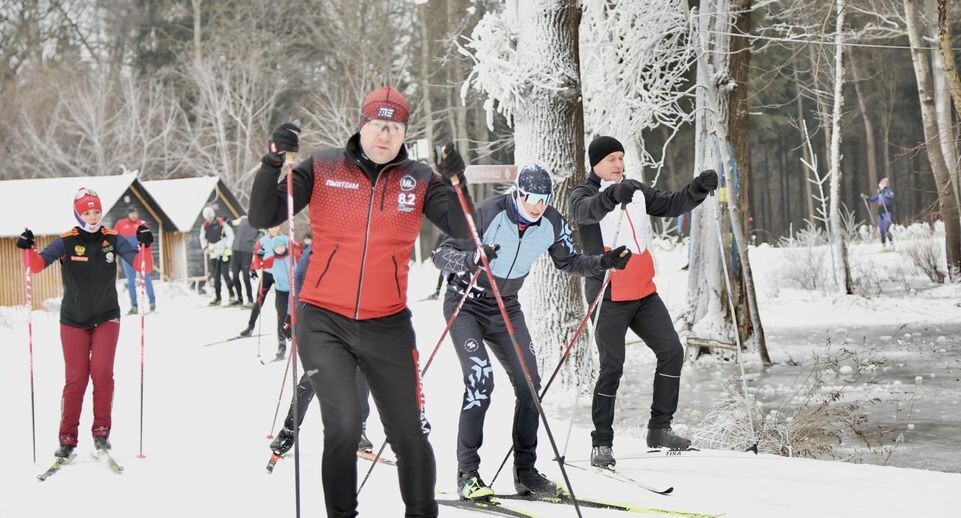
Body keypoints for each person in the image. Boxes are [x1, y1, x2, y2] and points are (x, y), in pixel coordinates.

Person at [248, 86, 474, 518]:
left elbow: (463, 227)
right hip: (323, 320)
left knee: (410, 433)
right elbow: (263, 215)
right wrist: (274, 158)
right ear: (361, 125)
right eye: (377, 125)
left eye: (394, 127)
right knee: (345, 425)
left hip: (387, 323)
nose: (384, 135)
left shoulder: (420, 178)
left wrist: (458, 182)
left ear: (404, 132)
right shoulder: (323, 165)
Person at [432, 163, 630, 501]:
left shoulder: (552, 222)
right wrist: (472, 260)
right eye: (532, 199)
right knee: (481, 380)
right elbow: (440, 254)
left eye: (544, 199)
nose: (538, 206)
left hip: (505, 307)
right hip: (466, 301)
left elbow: (568, 261)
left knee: (530, 386)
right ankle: (468, 473)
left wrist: (603, 263)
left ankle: (526, 472)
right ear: (518, 193)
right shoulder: (487, 212)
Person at [569, 136, 718, 468]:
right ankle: (601, 444)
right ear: (595, 163)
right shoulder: (583, 194)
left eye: (621, 157)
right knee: (612, 368)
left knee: (672, 352)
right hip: (609, 296)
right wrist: (610, 196)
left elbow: (669, 204)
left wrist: (697, 189)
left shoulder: (634, 189)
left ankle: (659, 428)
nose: (618, 164)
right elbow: (586, 212)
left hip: (643, 293)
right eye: (611, 159)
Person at [16, 188, 153, 458]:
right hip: (73, 320)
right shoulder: (66, 240)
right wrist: (27, 247)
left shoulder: (112, 238)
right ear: (78, 213)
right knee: (76, 379)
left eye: (96, 211)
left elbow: (143, 266)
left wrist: (145, 244)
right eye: (86, 212)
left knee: (102, 373)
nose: (92, 216)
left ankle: (101, 432)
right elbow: (35, 265)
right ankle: (67, 438)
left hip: (106, 316)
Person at [270, 244, 374, 457]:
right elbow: (297, 283)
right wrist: (292, 317)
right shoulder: (315, 250)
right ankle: (289, 430)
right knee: (313, 375)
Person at [239, 226, 286, 337]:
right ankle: (250, 326)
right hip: (267, 274)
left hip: (280, 274)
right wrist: (253, 267)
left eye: (276, 226)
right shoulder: (263, 240)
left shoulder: (284, 239)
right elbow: (256, 255)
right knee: (259, 300)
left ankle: (282, 331)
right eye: (272, 227)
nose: (274, 229)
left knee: (280, 305)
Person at [113, 207, 157, 314]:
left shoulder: (142, 223)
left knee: (145, 277)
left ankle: (152, 302)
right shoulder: (121, 223)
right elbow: (113, 237)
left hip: (140, 255)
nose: (134, 215)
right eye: (132, 213)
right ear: (128, 214)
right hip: (127, 257)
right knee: (131, 280)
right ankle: (134, 306)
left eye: (135, 213)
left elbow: (148, 240)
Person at [199, 206, 236, 305]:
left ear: (213, 215)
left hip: (224, 252)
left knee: (225, 274)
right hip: (213, 253)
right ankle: (218, 297)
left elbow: (231, 235)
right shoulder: (205, 226)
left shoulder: (221, 223)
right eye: (207, 217)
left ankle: (232, 295)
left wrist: (227, 247)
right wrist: (205, 248)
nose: (209, 218)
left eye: (210, 216)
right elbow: (202, 238)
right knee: (216, 276)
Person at [266, 240, 296, 360]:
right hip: (281, 292)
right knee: (281, 318)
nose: (280, 249)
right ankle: (281, 345)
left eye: (281, 246)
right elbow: (261, 266)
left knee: (295, 316)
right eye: (277, 247)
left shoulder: (291, 257)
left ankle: (298, 342)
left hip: (293, 292)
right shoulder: (272, 260)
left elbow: (298, 271)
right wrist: (258, 260)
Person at [230, 215, 259, 306]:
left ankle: (250, 299)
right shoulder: (243, 219)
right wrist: (226, 220)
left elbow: (262, 235)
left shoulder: (259, 222)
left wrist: (254, 246)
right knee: (234, 276)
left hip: (247, 252)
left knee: (246, 276)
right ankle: (239, 298)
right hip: (235, 250)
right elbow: (232, 223)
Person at [862, 177, 895, 249]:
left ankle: (892, 245)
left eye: (881, 185)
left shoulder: (888, 191)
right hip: (881, 214)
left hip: (887, 213)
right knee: (881, 231)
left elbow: (891, 195)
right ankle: (884, 246)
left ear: (884, 185)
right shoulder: (879, 193)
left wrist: (885, 194)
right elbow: (872, 199)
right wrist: (866, 198)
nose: (880, 187)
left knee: (886, 230)